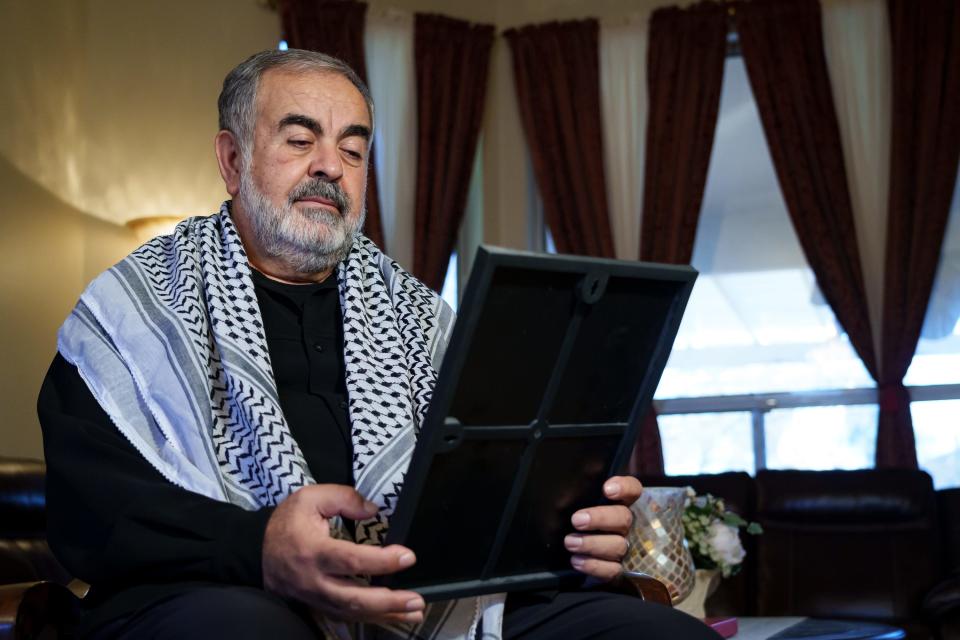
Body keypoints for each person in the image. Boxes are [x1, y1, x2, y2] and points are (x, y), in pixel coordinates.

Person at [38, 49, 720, 640]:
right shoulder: (136, 314)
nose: (331, 167)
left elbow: (483, 494)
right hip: (217, 597)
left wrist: (571, 529)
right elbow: (92, 518)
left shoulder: (422, 319)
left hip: (433, 607)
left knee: (652, 631)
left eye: (354, 150)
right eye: (300, 141)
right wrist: (262, 547)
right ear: (232, 157)